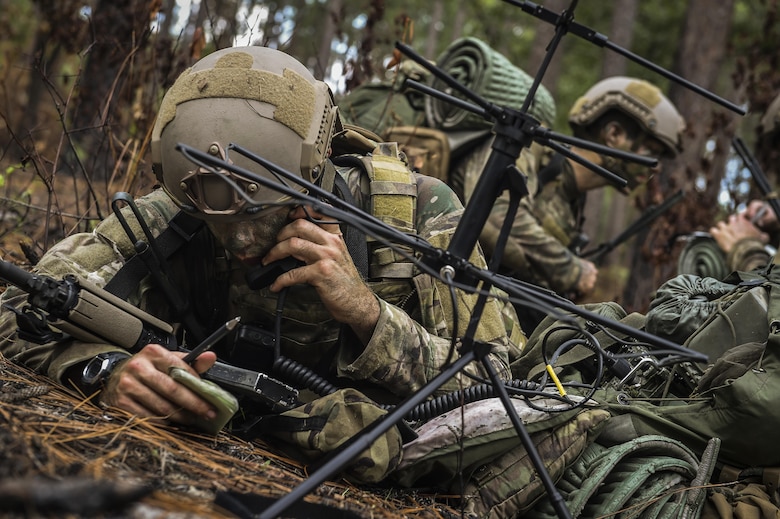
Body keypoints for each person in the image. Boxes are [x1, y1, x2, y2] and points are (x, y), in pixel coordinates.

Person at [0, 46, 525, 486]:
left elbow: (505, 384)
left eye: (260, 212)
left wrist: (369, 315)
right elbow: (19, 307)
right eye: (217, 218)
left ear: (314, 176)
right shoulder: (174, 213)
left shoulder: (414, 216)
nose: (241, 239)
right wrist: (104, 371)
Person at [452, 77, 685, 314]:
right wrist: (572, 271)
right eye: (651, 151)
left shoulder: (570, 201)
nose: (656, 167)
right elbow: (495, 217)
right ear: (614, 134)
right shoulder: (523, 147)